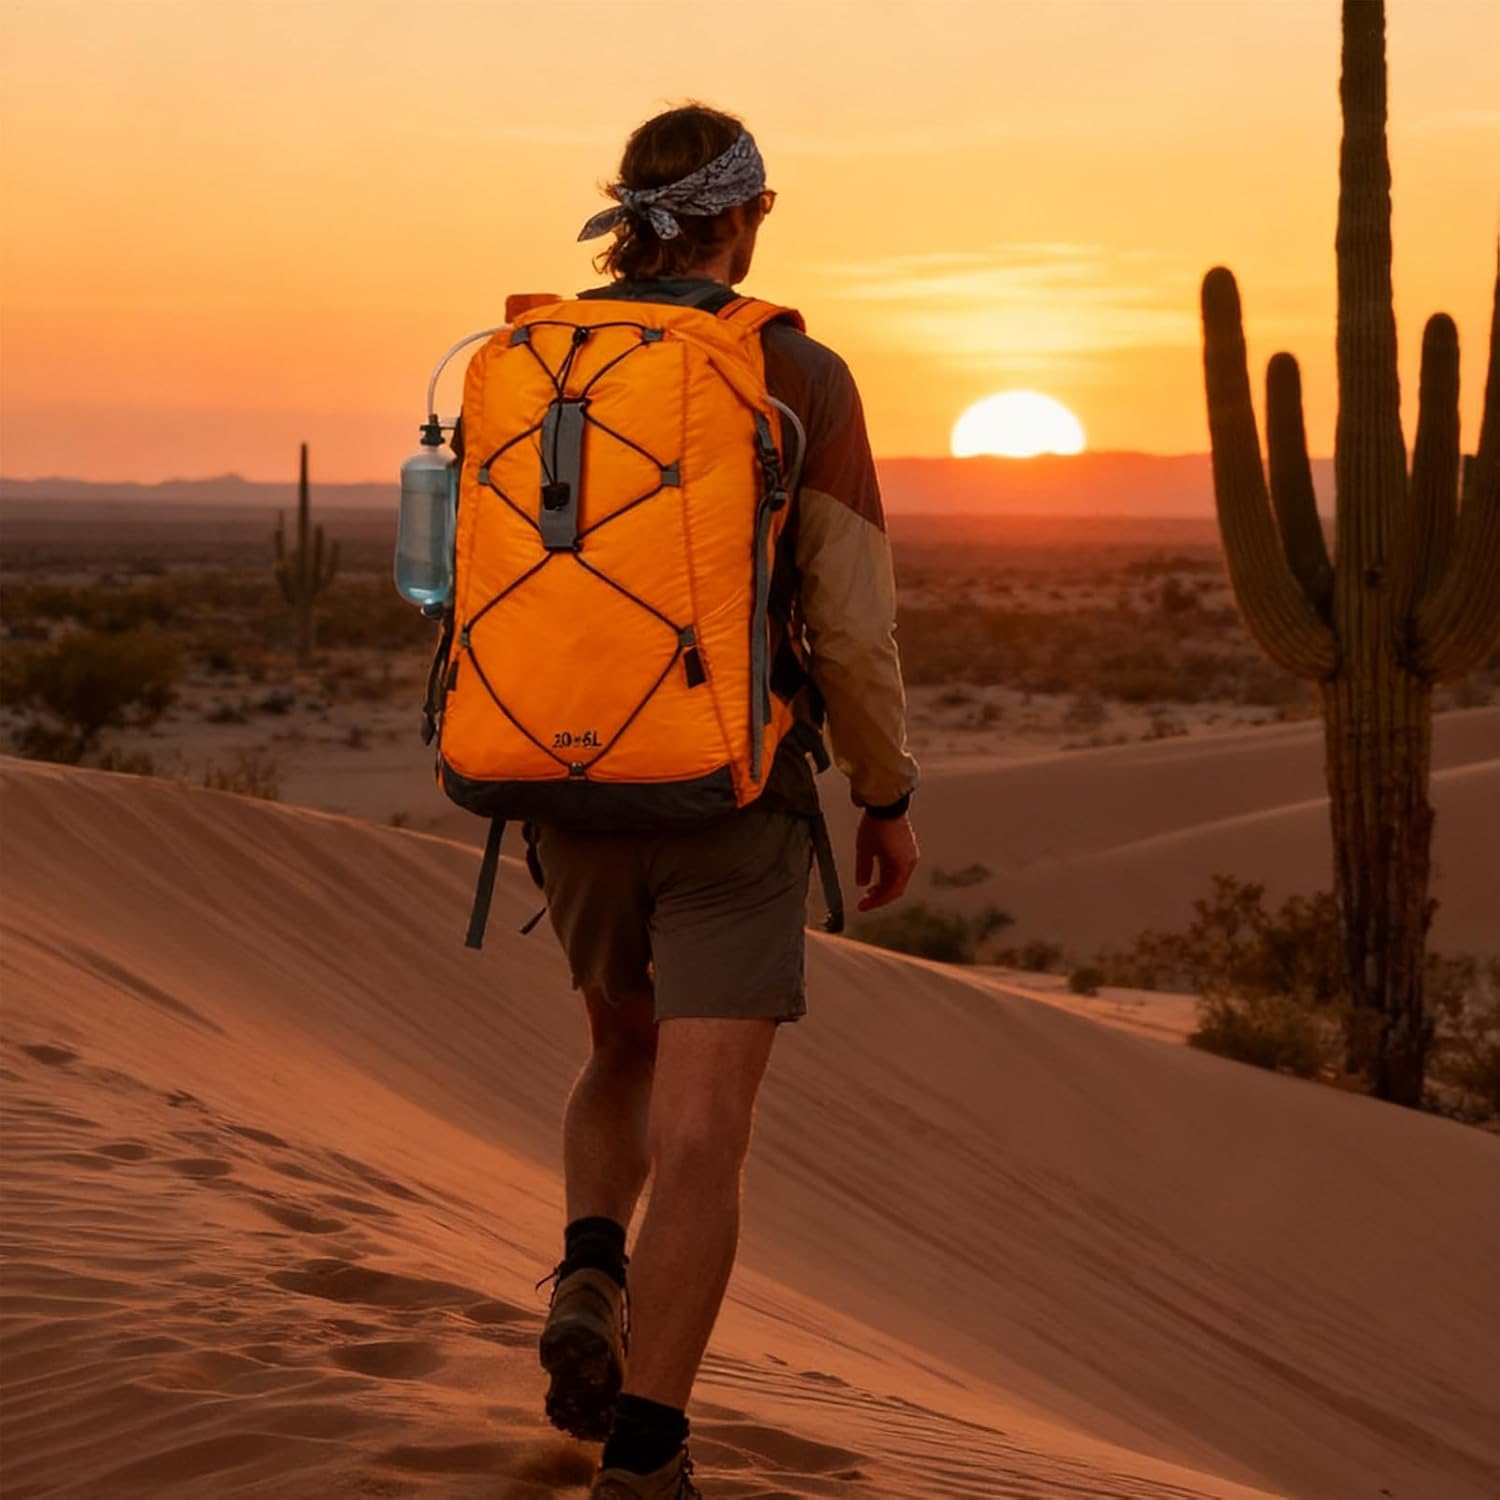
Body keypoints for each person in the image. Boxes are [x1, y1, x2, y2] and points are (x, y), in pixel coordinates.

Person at [531, 103, 920, 1500]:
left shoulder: (545, 356)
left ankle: (588, 1270)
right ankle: (644, 1455)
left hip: (567, 784)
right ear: (749, 217)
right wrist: (884, 792)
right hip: (731, 797)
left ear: (627, 220)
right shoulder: (797, 374)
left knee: (617, 1047)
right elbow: (856, 627)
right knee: (706, 1133)